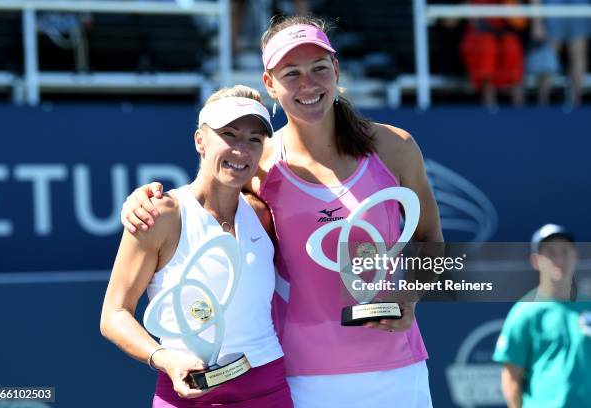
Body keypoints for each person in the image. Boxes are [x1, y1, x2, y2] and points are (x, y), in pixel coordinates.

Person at [121, 15, 443, 407]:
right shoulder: (258, 162)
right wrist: (143, 199)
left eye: (319, 69)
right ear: (270, 84)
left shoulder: (395, 147)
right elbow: (199, 197)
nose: (308, 84)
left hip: (398, 371)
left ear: (336, 71)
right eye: (291, 73)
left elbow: (432, 244)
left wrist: (411, 297)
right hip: (303, 379)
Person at [100, 85, 293, 408]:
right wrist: (165, 358)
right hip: (186, 392)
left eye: (254, 139)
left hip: (267, 389)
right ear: (200, 140)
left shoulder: (263, 215)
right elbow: (114, 314)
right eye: (229, 134)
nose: (242, 150)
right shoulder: (160, 213)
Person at [493, 224, 591, 407]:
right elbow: (511, 377)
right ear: (536, 261)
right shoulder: (525, 312)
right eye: (551, 253)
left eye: (565, 252)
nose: (559, 259)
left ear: (575, 256)